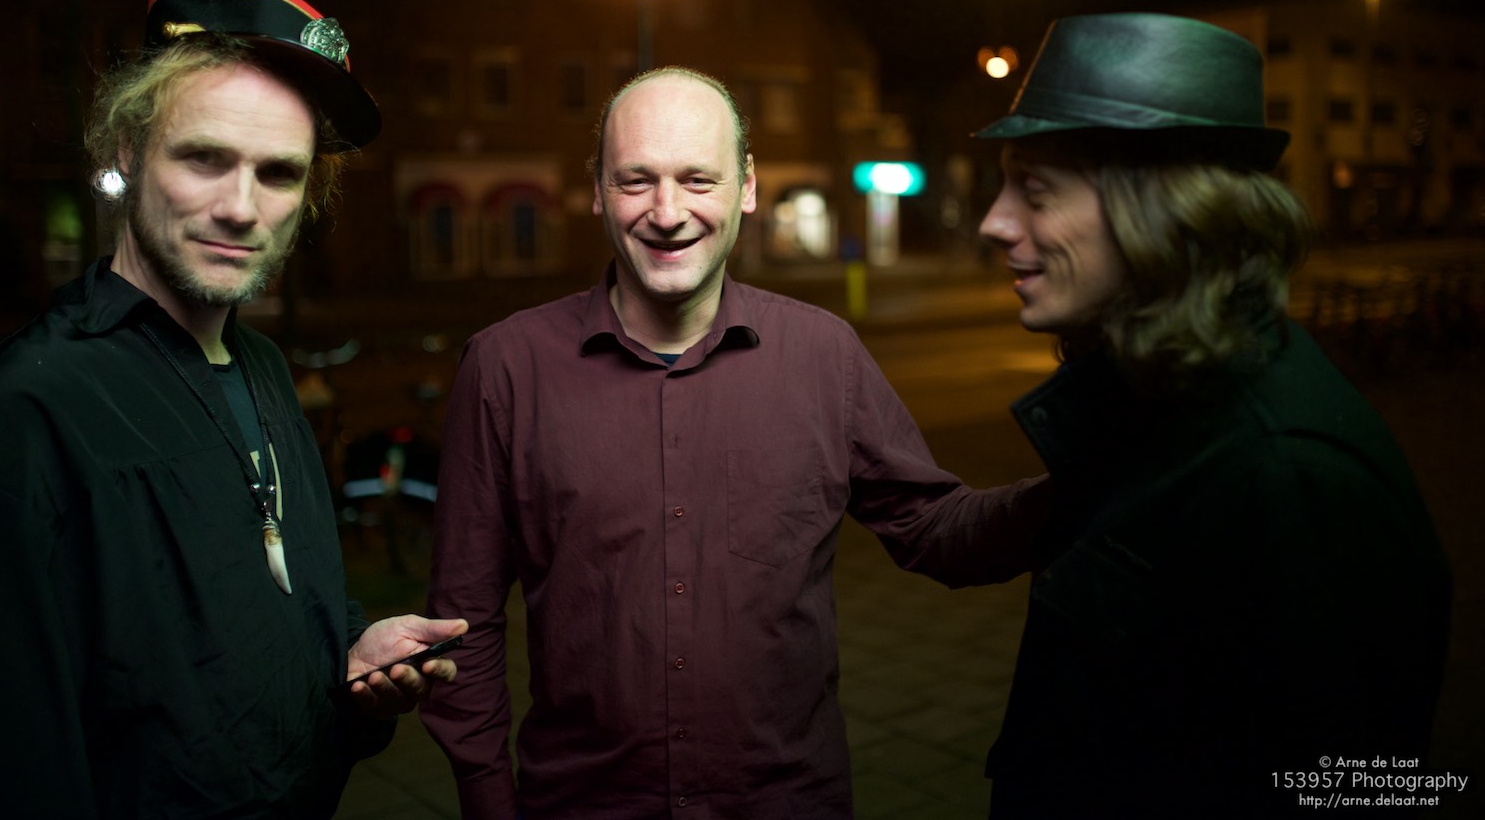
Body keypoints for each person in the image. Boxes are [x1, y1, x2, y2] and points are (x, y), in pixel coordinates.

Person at [422, 66, 1051, 819]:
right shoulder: (504, 367)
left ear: (746, 187)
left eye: (698, 179)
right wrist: (488, 799)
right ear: (596, 190)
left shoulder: (824, 355)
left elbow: (935, 529)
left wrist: (1092, 482)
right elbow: (461, 621)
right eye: (635, 181)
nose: (667, 213)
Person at [0, 0, 467, 817]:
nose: (241, 207)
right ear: (128, 152)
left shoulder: (262, 367)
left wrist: (344, 658)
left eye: (279, 173)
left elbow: (259, 605)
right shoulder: (25, 410)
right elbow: (7, 762)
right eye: (204, 158)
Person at [972, 12, 1451, 817]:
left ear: (1165, 211)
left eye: (1036, 190)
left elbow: (1361, 786)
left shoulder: (1290, 474)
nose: (995, 222)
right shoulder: (1155, 398)